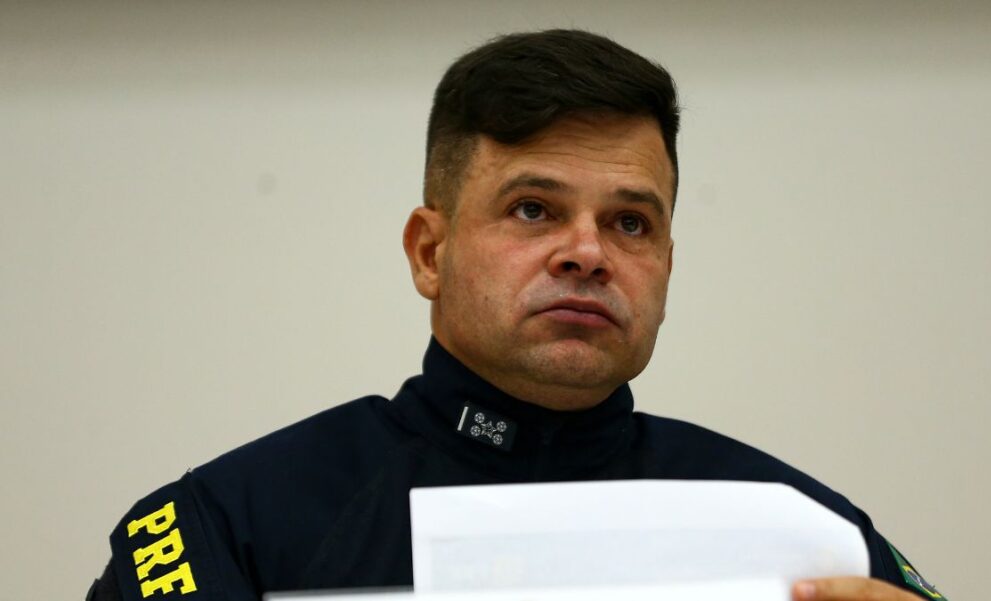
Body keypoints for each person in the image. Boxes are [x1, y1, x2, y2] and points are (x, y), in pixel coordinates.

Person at [87, 30, 945, 601]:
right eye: (534, 209)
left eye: (630, 222)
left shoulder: (801, 532)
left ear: (666, 266)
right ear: (430, 251)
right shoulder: (227, 527)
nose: (588, 252)